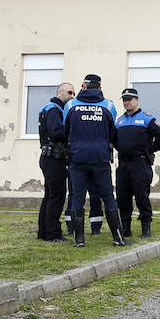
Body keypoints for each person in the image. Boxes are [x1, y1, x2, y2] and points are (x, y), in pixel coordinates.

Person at [63, 73, 128, 248]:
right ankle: (118, 238)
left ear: (83, 86)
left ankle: (79, 241)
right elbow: (112, 133)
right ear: (100, 88)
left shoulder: (70, 105)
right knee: (108, 197)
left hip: (77, 159)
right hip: (100, 159)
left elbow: (65, 130)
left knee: (77, 197)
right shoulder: (109, 105)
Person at [114, 88, 160, 238]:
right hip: (123, 165)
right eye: (124, 99)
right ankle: (125, 228)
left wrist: (148, 150)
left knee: (141, 197)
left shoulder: (147, 119)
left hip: (140, 164)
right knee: (122, 197)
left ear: (137, 100)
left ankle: (146, 227)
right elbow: (115, 141)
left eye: (130, 99)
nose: (127, 102)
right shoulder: (119, 121)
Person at [36, 82, 75, 242]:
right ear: (60, 93)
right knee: (57, 196)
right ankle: (53, 234)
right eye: (70, 92)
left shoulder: (48, 108)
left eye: (73, 93)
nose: (72, 96)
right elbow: (56, 132)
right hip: (54, 158)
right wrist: (71, 131)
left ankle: (44, 232)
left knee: (49, 196)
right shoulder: (54, 109)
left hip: (48, 157)